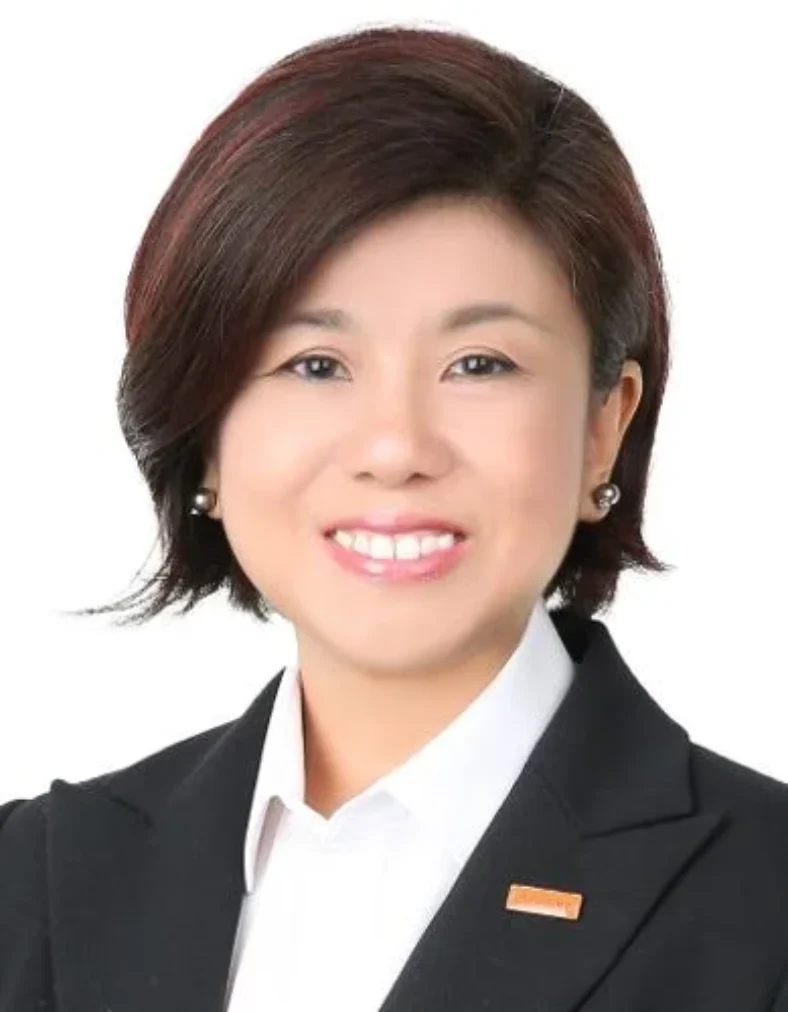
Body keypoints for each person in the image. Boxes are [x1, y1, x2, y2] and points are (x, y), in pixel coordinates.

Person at [2, 21, 787, 1012]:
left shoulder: (763, 901)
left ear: (603, 427)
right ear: (204, 434)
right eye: (314, 365)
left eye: (479, 364)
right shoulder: (38, 883)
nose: (394, 446)